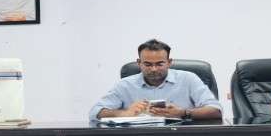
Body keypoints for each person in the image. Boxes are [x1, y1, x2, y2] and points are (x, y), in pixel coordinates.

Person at [90, 39, 222, 121]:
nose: (153, 69)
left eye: (159, 64)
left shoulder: (189, 79)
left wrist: (183, 112)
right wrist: (125, 113)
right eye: (147, 64)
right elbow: (95, 112)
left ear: (169, 62)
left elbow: (216, 110)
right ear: (139, 63)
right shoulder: (125, 85)